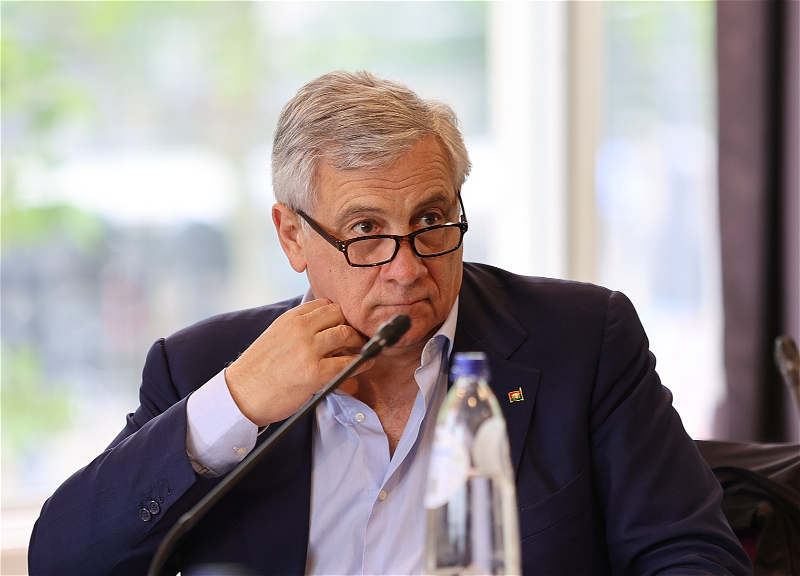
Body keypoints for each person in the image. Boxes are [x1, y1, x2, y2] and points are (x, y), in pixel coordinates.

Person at [28, 70, 753, 576]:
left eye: (432, 220)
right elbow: (63, 562)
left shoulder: (583, 340)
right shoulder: (202, 366)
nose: (406, 268)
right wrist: (236, 404)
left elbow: (694, 557)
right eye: (365, 230)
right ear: (292, 237)